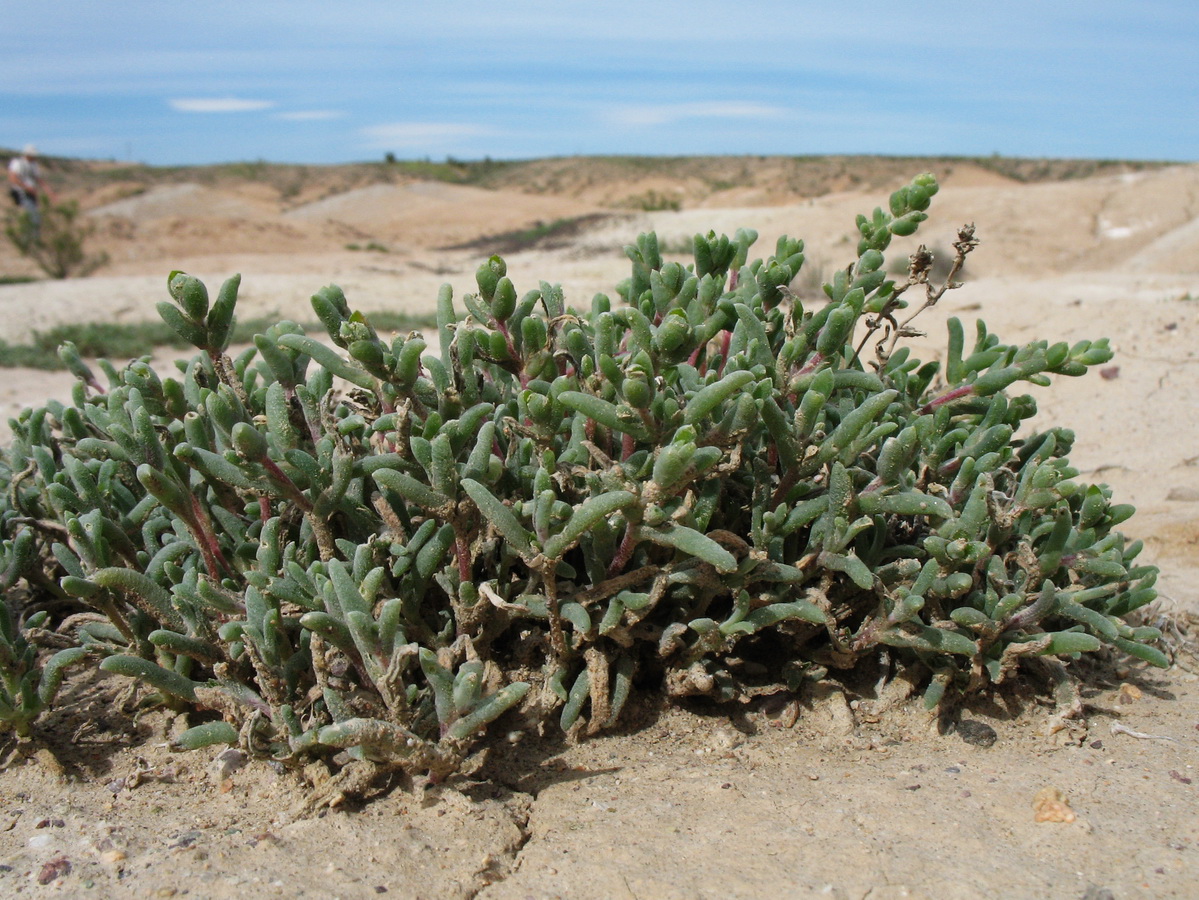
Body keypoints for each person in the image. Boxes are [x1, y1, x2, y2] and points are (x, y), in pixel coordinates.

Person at [8, 144, 55, 237]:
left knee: (35, 215)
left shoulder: (34, 165)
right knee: (30, 215)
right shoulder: (17, 163)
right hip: (21, 192)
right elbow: (13, 178)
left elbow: (38, 179)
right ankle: (27, 238)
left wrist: (49, 191)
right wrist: (26, 187)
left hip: (31, 193)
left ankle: (33, 237)